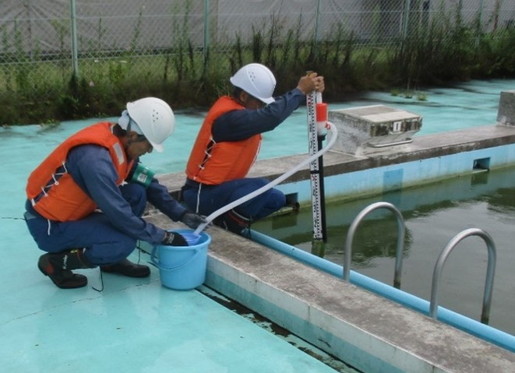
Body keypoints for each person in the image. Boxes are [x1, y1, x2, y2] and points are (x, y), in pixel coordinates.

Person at [24, 97, 206, 289]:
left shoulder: (121, 145)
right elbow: (118, 213)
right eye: (149, 145)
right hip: (50, 227)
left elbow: (148, 182)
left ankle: (111, 262)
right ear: (134, 135)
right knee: (123, 242)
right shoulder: (94, 160)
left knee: (136, 192)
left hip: (75, 216)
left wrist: (181, 213)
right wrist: (164, 237)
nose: (150, 151)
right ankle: (55, 264)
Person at [182, 63, 324, 235]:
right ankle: (230, 228)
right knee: (260, 187)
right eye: (259, 102)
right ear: (243, 96)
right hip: (200, 195)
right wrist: (299, 92)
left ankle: (226, 221)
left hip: (221, 191)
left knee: (275, 199)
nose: (262, 108)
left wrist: (306, 93)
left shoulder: (240, 112)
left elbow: (272, 112)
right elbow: (270, 117)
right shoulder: (230, 119)